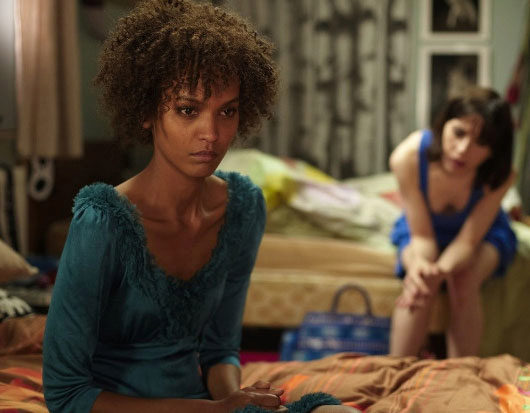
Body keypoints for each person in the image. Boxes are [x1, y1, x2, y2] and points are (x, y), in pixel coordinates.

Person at [42, 1, 360, 412]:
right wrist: (217, 410)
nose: (211, 133)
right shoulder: (102, 221)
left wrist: (238, 401)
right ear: (146, 110)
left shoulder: (242, 209)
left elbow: (220, 349)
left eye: (227, 111)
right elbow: (66, 395)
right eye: (187, 110)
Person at [389, 86, 517, 358]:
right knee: (419, 280)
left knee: (464, 279)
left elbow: (468, 241)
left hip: (482, 233)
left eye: (481, 143)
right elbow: (422, 237)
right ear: (443, 124)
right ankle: (395, 369)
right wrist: (424, 268)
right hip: (422, 228)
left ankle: (461, 375)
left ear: (494, 150)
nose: (463, 150)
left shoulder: (501, 175)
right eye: (458, 133)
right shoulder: (407, 157)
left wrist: (442, 269)